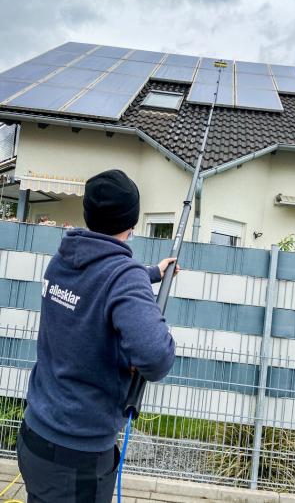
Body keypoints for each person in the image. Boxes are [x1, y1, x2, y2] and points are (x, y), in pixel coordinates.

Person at [17, 169, 177, 503]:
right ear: (132, 222)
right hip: (78, 457)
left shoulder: (62, 260)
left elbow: (96, 286)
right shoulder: (123, 276)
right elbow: (156, 357)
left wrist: (152, 273)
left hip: (35, 437)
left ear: (88, 214)